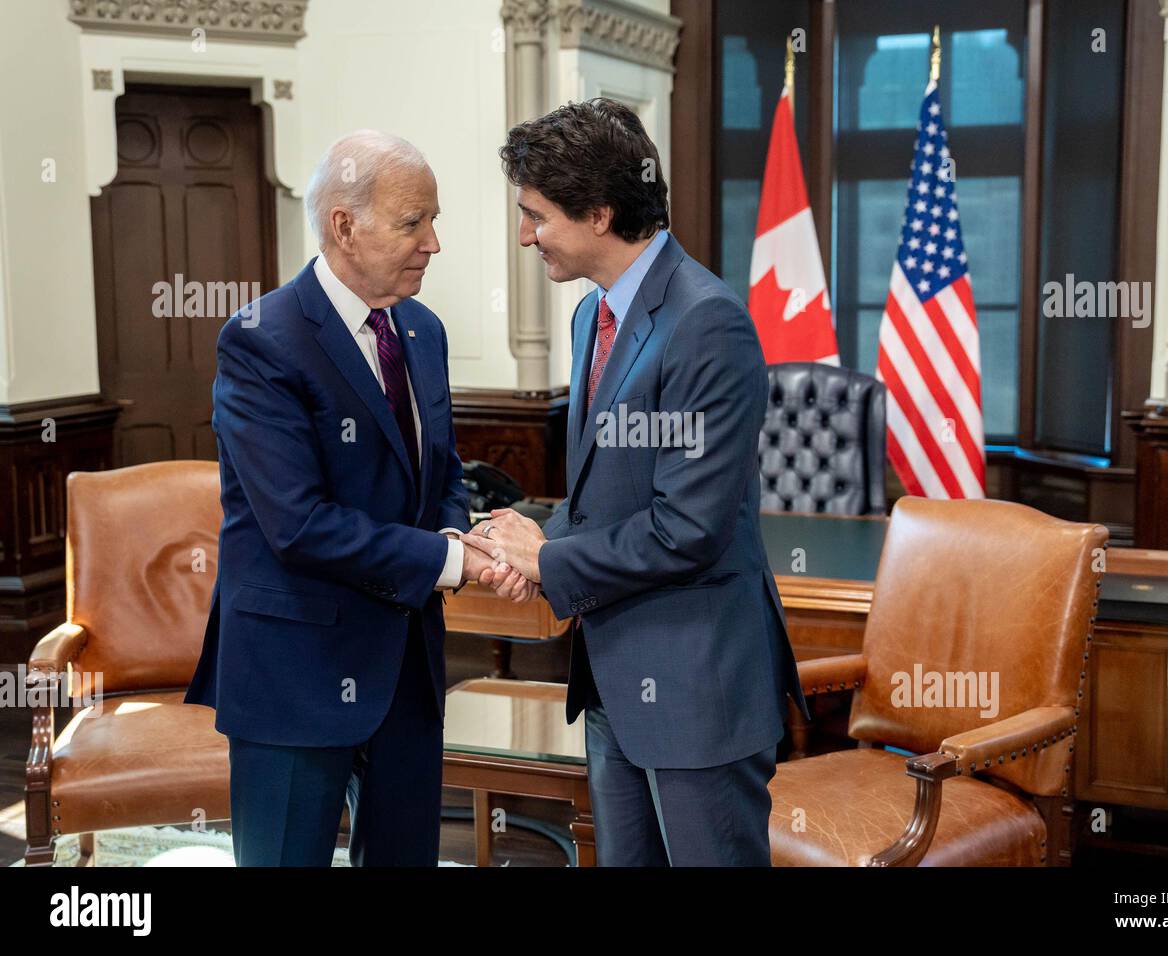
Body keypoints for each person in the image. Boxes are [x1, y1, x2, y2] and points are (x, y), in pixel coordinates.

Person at [467, 99, 808, 866]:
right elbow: (612, 497)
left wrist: (548, 560)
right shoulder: (595, 315)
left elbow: (687, 528)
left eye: (536, 215)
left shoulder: (706, 322)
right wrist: (541, 539)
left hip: (696, 689)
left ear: (599, 212)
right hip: (613, 678)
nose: (525, 235)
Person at [185, 129, 533, 867]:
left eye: (434, 221)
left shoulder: (423, 330)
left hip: (407, 669)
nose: (433, 243)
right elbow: (298, 525)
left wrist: (459, 538)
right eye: (415, 223)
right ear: (344, 226)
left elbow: (440, 471)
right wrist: (453, 560)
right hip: (295, 674)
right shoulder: (259, 341)